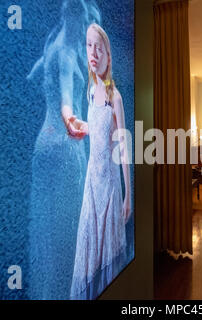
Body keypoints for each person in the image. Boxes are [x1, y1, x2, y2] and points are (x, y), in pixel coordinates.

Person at [27, 0, 101, 300]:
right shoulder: (67, 54)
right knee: (67, 231)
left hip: (43, 146)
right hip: (64, 149)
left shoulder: (51, 45)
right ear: (74, 16)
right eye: (84, 22)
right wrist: (91, 126)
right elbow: (67, 104)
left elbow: (33, 77)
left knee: (48, 231)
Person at [70, 23, 131, 300]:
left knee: (107, 256)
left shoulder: (114, 97)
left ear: (108, 54)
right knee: (88, 251)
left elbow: (123, 148)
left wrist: (128, 195)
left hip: (108, 184)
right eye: (88, 45)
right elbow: (96, 131)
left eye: (99, 47)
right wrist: (80, 125)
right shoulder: (89, 92)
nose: (92, 52)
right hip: (90, 184)